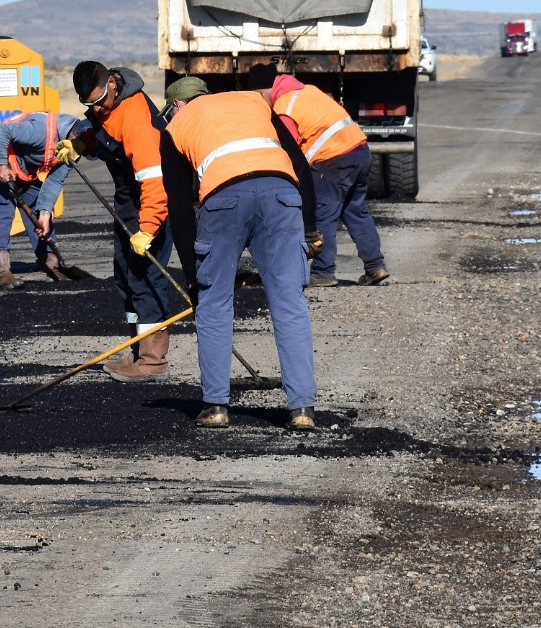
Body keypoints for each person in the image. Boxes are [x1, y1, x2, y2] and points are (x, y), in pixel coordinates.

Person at [160, 79, 320, 430]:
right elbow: (299, 161)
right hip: (281, 194)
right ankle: (302, 410)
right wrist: (310, 227)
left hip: (223, 199)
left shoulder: (175, 126)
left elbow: (179, 206)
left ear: (177, 105)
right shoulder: (253, 102)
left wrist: (193, 272)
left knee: (214, 304)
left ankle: (216, 407)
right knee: (289, 302)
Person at [55, 62, 177, 382]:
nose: (96, 109)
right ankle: (137, 348)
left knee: (146, 278)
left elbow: (155, 180)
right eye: (89, 105)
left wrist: (148, 228)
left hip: (152, 203)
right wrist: (81, 144)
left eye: (99, 102)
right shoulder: (105, 107)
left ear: (112, 82)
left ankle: (153, 360)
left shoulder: (136, 117)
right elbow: (104, 133)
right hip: (127, 203)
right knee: (124, 277)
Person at [244, 64, 389, 287]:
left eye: (257, 97)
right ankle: (375, 266)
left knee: (323, 215)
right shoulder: (307, 91)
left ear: (263, 91)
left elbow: (287, 150)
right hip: (359, 151)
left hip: (334, 158)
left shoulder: (284, 107)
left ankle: (323, 272)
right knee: (356, 211)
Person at [0, 111, 86, 290]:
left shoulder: (76, 147)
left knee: (39, 209)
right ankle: (1, 272)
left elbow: (54, 181)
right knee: (2, 210)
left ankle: (51, 263)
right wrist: (2, 166)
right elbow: (0, 132)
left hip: (23, 167)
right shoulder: (40, 131)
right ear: (72, 135)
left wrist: (44, 214)